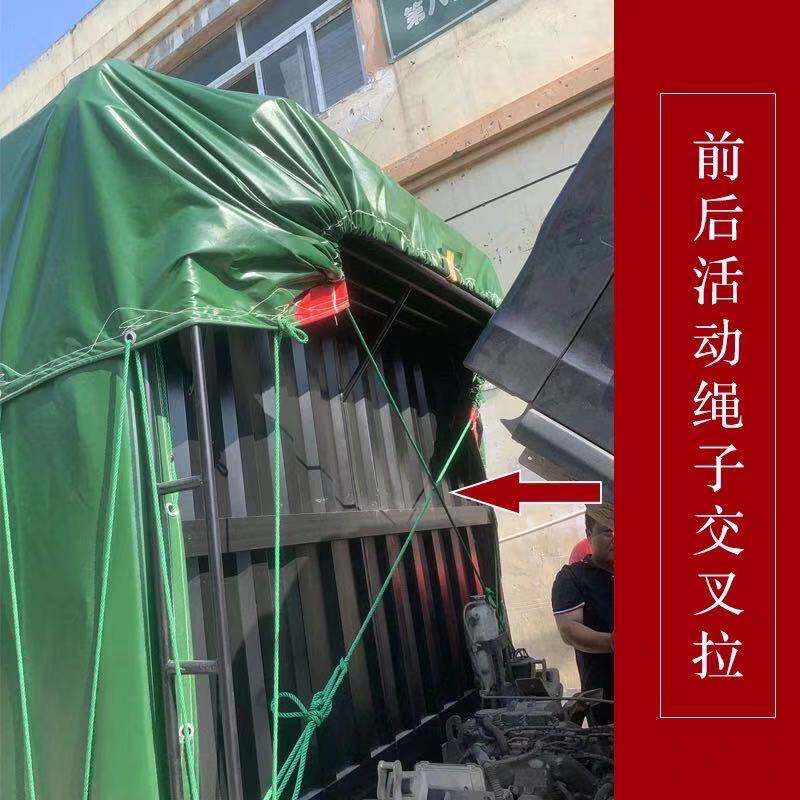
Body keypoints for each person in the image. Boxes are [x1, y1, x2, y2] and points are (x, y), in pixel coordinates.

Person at [551, 512, 614, 724]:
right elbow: (569, 630)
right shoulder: (572, 578)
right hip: (606, 696)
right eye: (608, 531)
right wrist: (613, 642)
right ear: (589, 535)